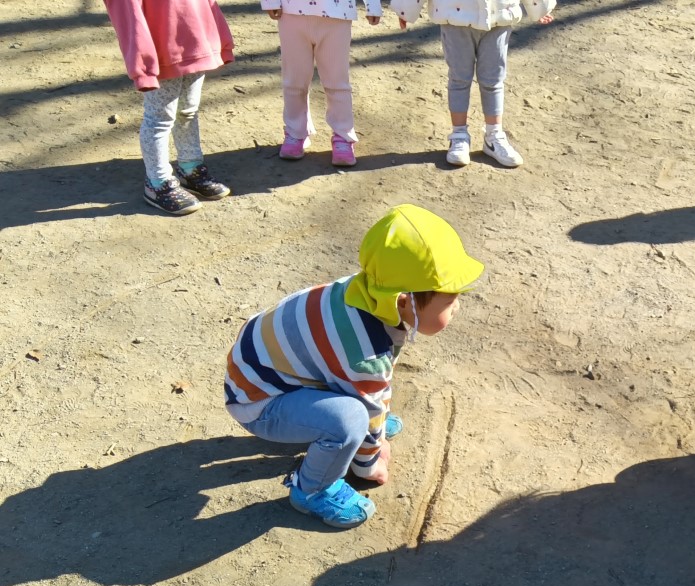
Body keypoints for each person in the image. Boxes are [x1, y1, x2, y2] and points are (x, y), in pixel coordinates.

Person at [224, 205, 483, 528]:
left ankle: (347, 431)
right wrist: (368, 460)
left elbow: (371, 385)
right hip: (259, 403)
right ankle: (312, 490)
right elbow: (369, 395)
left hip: (267, 374)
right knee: (350, 420)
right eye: (449, 301)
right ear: (404, 301)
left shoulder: (366, 293)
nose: (457, 307)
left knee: (365, 409)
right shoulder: (365, 354)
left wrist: (375, 418)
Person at [103, 0, 234, 216]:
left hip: (196, 42)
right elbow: (128, 15)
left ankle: (190, 167)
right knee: (160, 118)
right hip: (160, 52)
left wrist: (219, 38)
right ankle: (158, 182)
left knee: (188, 111)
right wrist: (143, 64)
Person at [392, 0, 556, 168]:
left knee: (493, 79)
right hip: (455, 15)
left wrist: (539, 6)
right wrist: (406, 9)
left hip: (499, 14)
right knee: (459, 78)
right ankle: (459, 136)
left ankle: (494, 136)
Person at [263, 0, 383, 167]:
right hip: (291, 13)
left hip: (337, 14)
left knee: (337, 81)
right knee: (294, 79)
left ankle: (343, 135)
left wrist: (373, 5)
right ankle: (296, 131)